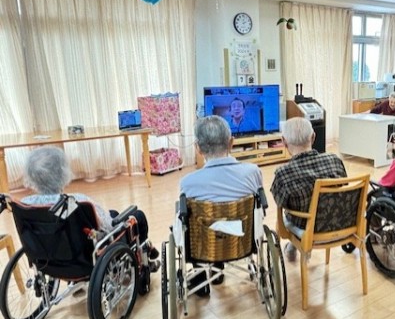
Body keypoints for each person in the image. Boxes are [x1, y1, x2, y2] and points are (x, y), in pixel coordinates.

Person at [21, 146, 159, 271]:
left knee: (113, 213)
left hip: (49, 256)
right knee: (137, 216)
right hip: (85, 256)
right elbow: (109, 226)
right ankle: (145, 255)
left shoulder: (26, 204)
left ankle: (147, 248)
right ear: (62, 172)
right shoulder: (77, 202)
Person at [180, 115, 263, 294]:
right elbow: (261, 210)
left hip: (204, 245)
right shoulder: (252, 172)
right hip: (242, 240)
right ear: (231, 142)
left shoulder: (188, 183)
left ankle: (202, 275)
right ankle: (218, 267)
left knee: (188, 224)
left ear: (198, 148)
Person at [271, 117, 347, 261]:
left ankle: (294, 245)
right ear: (313, 137)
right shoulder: (335, 161)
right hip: (338, 221)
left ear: (284, 142)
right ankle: (294, 245)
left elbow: (281, 203)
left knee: (289, 212)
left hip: (305, 227)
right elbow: (342, 187)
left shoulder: (283, 173)